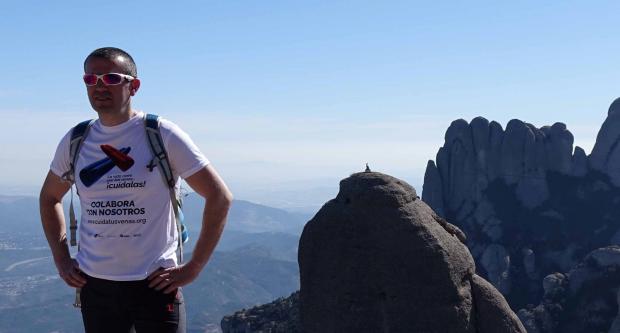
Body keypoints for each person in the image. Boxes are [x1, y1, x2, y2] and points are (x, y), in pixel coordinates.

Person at [39, 47, 233, 333]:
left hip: (155, 284)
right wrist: (61, 259)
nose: (100, 86)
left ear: (134, 86)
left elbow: (219, 197)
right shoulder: (76, 140)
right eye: (91, 80)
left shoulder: (162, 134)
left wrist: (193, 267)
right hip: (95, 285)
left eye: (111, 78)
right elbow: (49, 197)